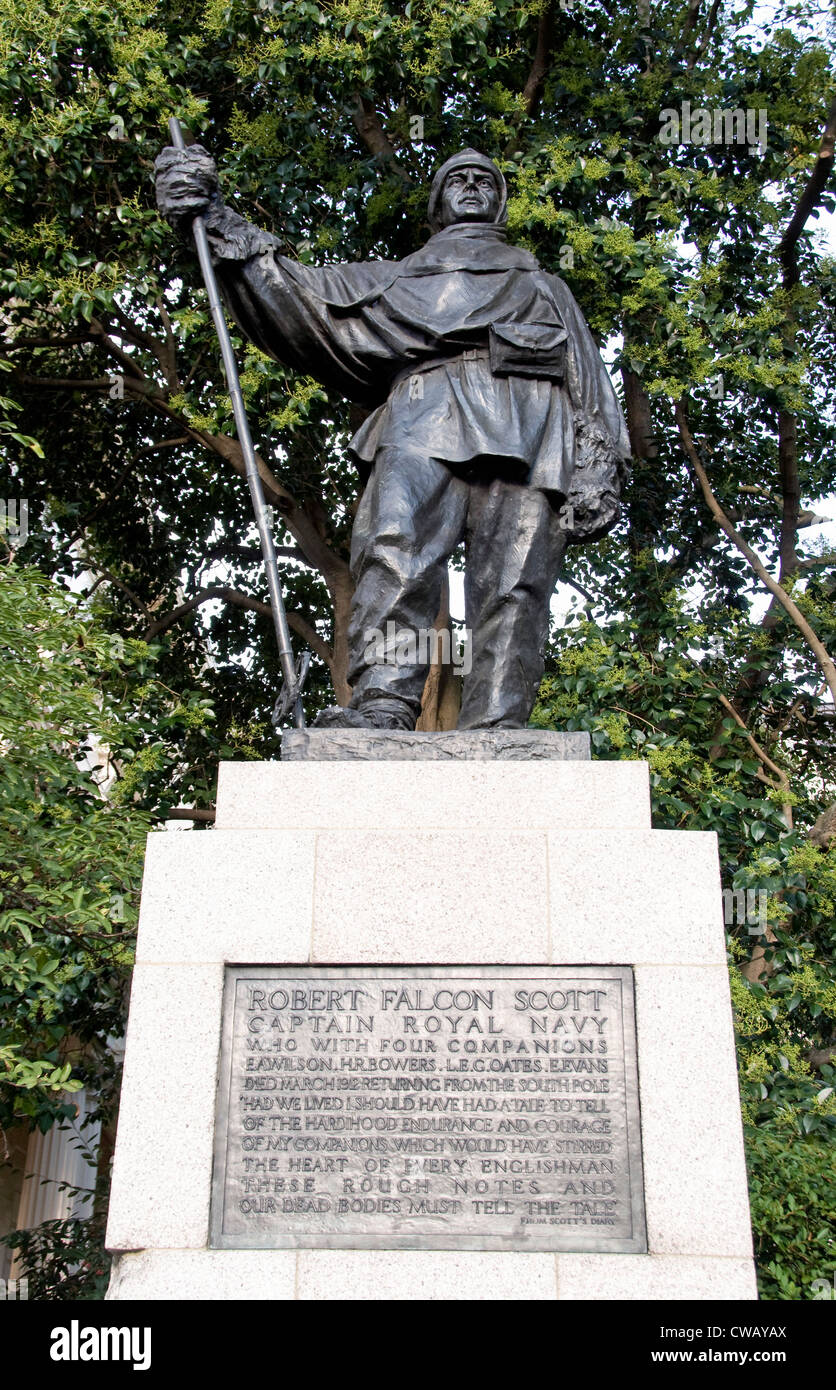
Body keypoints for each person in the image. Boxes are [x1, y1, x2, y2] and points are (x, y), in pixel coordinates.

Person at [155, 145, 630, 730]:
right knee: (393, 549)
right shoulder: (394, 281)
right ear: (436, 203)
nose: (474, 186)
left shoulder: (546, 287)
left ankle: (499, 720)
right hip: (422, 414)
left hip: (531, 424)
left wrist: (597, 467)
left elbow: (588, 380)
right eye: (459, 178)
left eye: (486, 179)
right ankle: (383, 703)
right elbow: (301, 298)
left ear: (501, 202)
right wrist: (214, 218)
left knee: (516, 575)